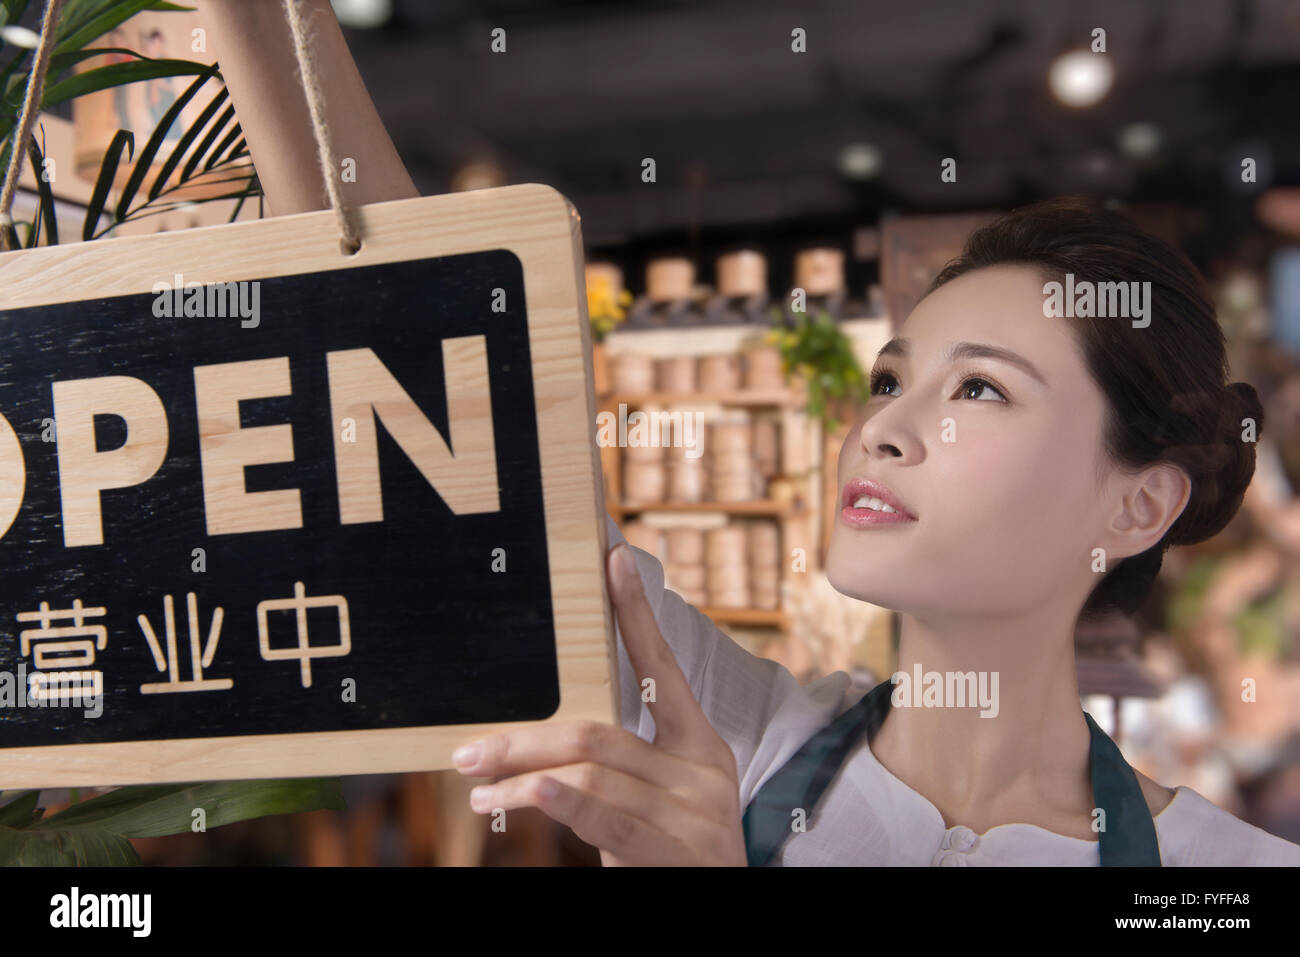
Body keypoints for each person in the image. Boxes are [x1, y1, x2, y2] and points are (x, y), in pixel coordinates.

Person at [196, 0, 1300, 865]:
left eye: (980, 392)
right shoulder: (729, 729)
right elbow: (424, 357)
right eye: (888, 379)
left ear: (1135, 503)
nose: (883, 432)